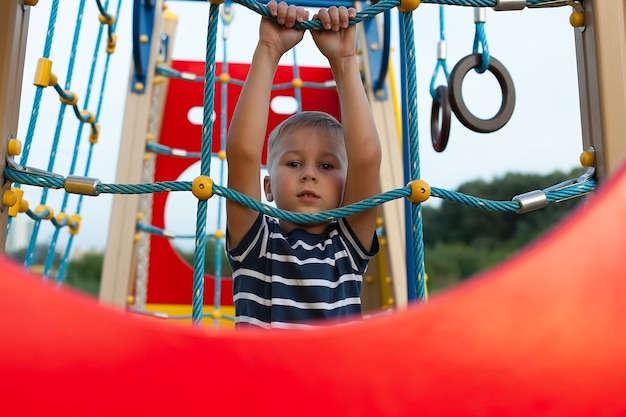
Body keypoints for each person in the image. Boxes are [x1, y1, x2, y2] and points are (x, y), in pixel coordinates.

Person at [226, 0, 381, 329]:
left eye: (326, 167)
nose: (309, 174)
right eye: (294, 163)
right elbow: (242, 153)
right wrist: (268, 49)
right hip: (263, 381)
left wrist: (344, 61)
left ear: (345, 184)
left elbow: (366, 160)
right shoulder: (256, 243)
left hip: (330, 381)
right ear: (266, 186)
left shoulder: (346, 247)